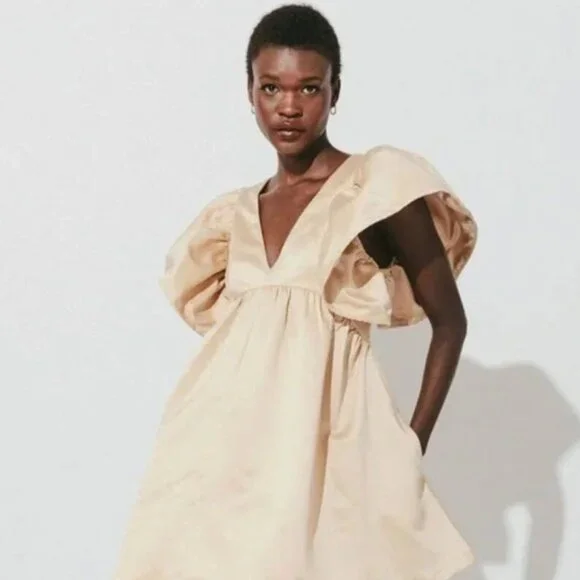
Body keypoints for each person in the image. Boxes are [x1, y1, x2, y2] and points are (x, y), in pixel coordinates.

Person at [112, 4, 478, 579]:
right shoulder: (229, 218)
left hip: (328, 448)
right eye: (271, 87)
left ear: (335, 92)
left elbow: (450, 323)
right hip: (221, 449)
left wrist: (413, 444)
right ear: (250, 93)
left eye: (309, 87)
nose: (288, 106)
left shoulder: (375, 187)